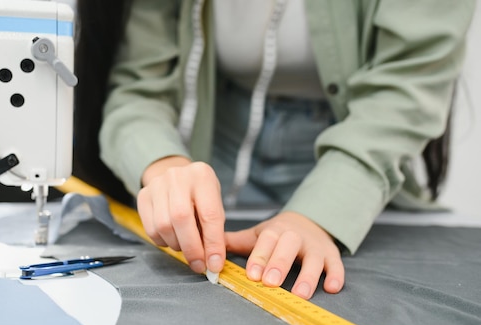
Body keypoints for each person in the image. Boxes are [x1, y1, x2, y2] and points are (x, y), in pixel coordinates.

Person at [73, 0, 475, 299]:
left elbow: (407, 91)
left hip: (361, 165)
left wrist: (320, 214)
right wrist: (162, 164)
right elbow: (138, 89)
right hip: (218, 149)